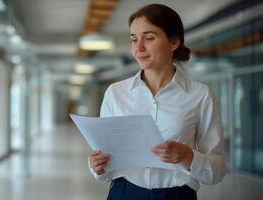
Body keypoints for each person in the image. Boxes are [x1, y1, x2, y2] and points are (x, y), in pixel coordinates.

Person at [88, 3, 226, 200]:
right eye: (134, 39)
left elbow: (217, 171)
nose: (139, 47)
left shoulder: (201, 95)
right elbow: (105, 168)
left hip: (177, 195)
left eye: (149, 38)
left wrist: (187, 156)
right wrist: (97, 166)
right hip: (124, 193)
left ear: (174, 42)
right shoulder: (115, 93)